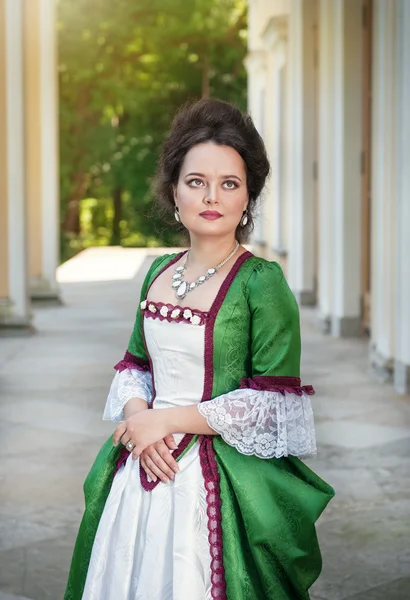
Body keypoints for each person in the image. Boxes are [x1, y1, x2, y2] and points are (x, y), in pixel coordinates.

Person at [65, 98, 334, 600]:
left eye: (229, 184)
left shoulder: (261, 282)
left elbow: (272, 403)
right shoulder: (157, 272)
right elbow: (136, 364)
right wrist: (139, 416)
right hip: (142, 460)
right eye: (196, 182)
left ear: (248, 196)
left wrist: (163, 423)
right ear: (174, 191)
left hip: (219, 478)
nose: (212, 196)